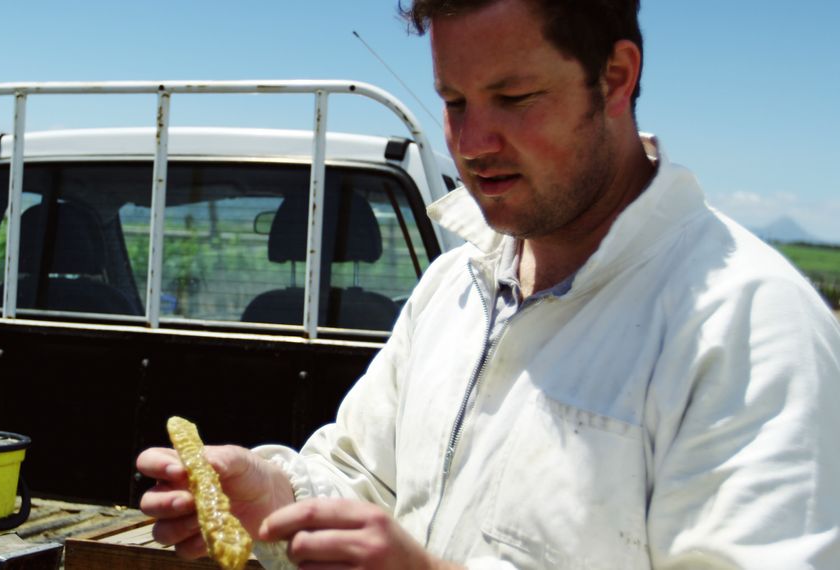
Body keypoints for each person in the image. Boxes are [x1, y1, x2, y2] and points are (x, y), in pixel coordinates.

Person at [137, 0, 840, 567]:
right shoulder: (455, 286)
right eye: (454, 100)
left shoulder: (750, 325)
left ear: (616, 79)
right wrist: (276, 496)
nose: (473, 143)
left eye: (514, 96)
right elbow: (368, 477)